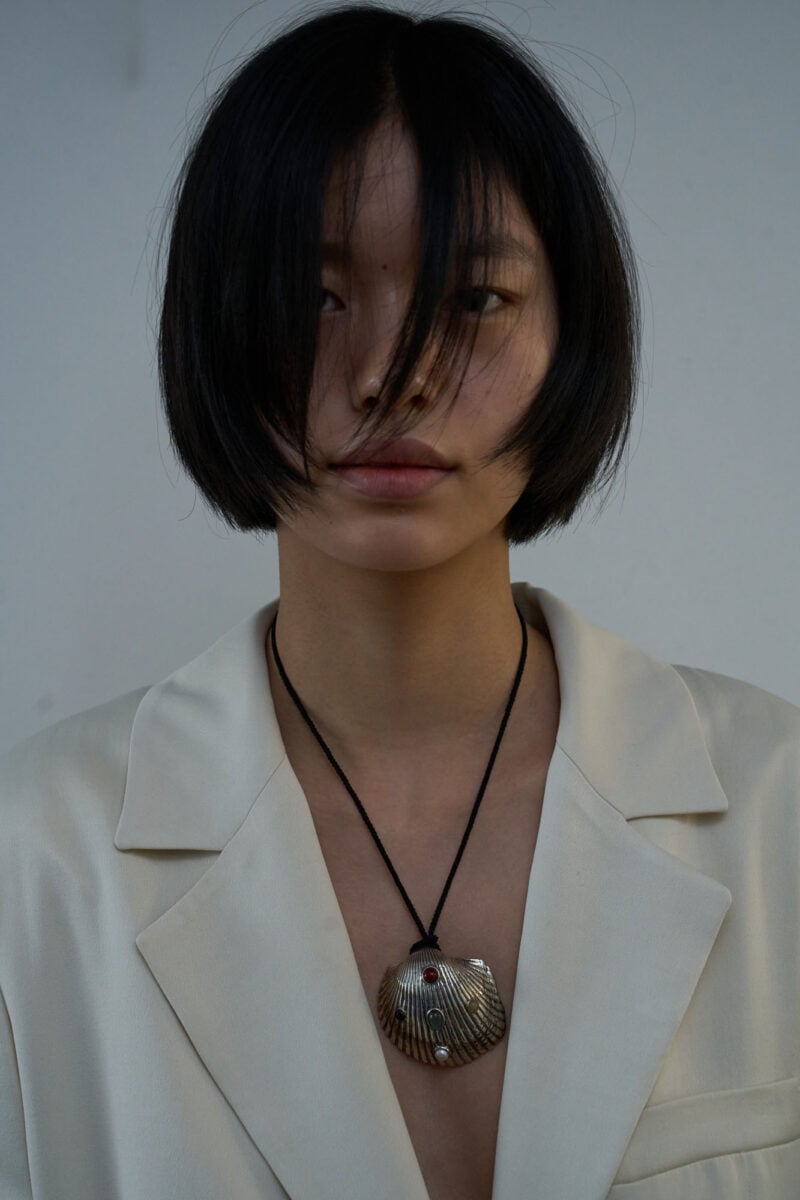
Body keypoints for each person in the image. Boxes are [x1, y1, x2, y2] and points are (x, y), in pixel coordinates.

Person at [1, 4, 798, 1198]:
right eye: (312, 296)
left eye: (473, 300)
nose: (390, 371)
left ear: (573, 332)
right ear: (215, 324)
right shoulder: (30, 858)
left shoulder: (780, 803)